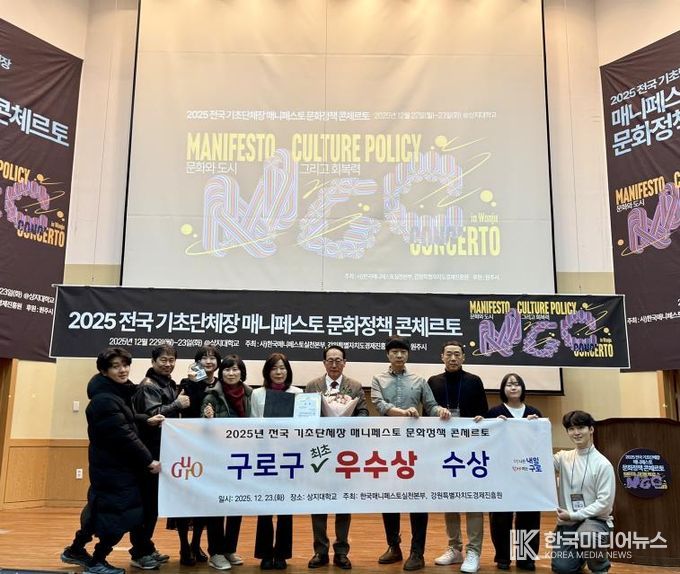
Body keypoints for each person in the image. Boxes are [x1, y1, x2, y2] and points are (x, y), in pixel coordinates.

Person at [62, 347, 161, 574]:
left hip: (109, 468)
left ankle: (75, 550)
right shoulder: (105, 400)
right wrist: (149, 461)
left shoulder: (113, 393)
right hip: (114, 469)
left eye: (125, 365)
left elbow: (124, 419)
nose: (123, 370)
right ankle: (97, 561)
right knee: (121, 515)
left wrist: (146, 420)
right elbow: (123, 435)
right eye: (116, 366)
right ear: (104, 371)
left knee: (99, 510)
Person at [371, 336, 451, 572]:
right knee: (389, 497)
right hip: (387, 446)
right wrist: (402, 412)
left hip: (416, 448)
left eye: (403, 352)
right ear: (387, 355)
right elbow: (379, 405)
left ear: (408, 355)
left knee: (418, 497)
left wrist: (441, 411)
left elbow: (431, 405)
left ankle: (417, 552)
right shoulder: (378, 379)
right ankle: (393, 546)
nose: (399, 355)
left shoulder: (419, 380)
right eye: (394, 351)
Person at [305, 345, 369, 570]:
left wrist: (348, 422)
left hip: (345, 452)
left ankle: (341, 551)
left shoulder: (355, 386)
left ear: (345, 362)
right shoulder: (312, 386)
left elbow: (364, 413)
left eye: (338, 360)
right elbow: (305, 415)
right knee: (318, 501)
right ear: (324, 363)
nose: (334, 364)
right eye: (330, 360)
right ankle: (320, 551)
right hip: (319, 450)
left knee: (343, 501)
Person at [427, 340, 488, 573]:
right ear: (441, 357)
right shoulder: (433, 382)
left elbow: (484, 413)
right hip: (444, 449)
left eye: (457, 354)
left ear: (463, 357)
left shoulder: (474, 381)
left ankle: (474, 551)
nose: (453, 358)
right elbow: (427, 415)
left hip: (471, 449)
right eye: (449, 354)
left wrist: (481, 419)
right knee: (450, 498)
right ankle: (455, 548)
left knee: (473, 499)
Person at [132, 344, 189, 569]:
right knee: (146, 505)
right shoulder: (148, 386)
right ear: (153, 361)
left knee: (153, 505)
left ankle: (146, 547)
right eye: (163, 360)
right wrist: (177, 404)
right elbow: (153, 417)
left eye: (171, 360)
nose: (168, 364)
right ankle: (139, 552)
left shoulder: (167, 383)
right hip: (149, 454)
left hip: (163, 451)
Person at [481, 373, 542, 571]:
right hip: (501, 473)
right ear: (503, 389)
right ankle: (503, 557)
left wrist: (535, 427)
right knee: (501, 516)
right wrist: (492, 425)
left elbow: (540, 443)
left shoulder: (534, 413)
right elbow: (485, 442)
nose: (513, 387)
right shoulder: (494, 412)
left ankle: (526, 557)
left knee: (529, 516)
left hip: (527, 474)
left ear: (522, 388)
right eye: (509, 384)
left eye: (516, 384)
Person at [201, 354, 252, 570]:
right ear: (221, 373)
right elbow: (202, 429)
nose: (231, 373)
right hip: (218, 458)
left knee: (235, 504)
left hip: (242, 457)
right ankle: (216, 552)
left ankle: (229, 548)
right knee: (216, 505)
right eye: (227, 369)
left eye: (235, 369)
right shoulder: (211, 395)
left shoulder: (250, 394)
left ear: (242, 372)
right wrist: (207, 418)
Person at [251, 352, 302, 569]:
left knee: (285, 507)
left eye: (282, 368)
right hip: (265, 454)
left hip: (289, 455)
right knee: (265, 507)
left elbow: (302, 426)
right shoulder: (257, 394)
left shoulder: (298, 393)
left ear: (288, 371)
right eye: (274, 368)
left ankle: (281, 554)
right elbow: (253, 422)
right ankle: (265, 553)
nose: (279, 372)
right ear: (267, 372)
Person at [173, 345, 223, 566]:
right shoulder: (187, 383)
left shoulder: (221, 384)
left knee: (204, 501)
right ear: (197, 362)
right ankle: (184, 545)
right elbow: (183, 410)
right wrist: (194, 383)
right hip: (189, 448)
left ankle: (196, 543)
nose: (209, 361)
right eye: (204, 358)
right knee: (187, 500)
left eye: (213, 358)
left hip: (212, 450)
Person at [552, 410, 615, 574]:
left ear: (591, 429)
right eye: (571, 429)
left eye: (581, 427)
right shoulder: (562, 457)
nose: (576, 433)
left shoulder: (602, 464)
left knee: (587, 536)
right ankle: (580, 556)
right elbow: (538, 463)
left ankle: (600, 567)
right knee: (562, 568)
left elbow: (604, 504)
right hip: (568, 523)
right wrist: (532, 428)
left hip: (595, 522)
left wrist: (574, 515)